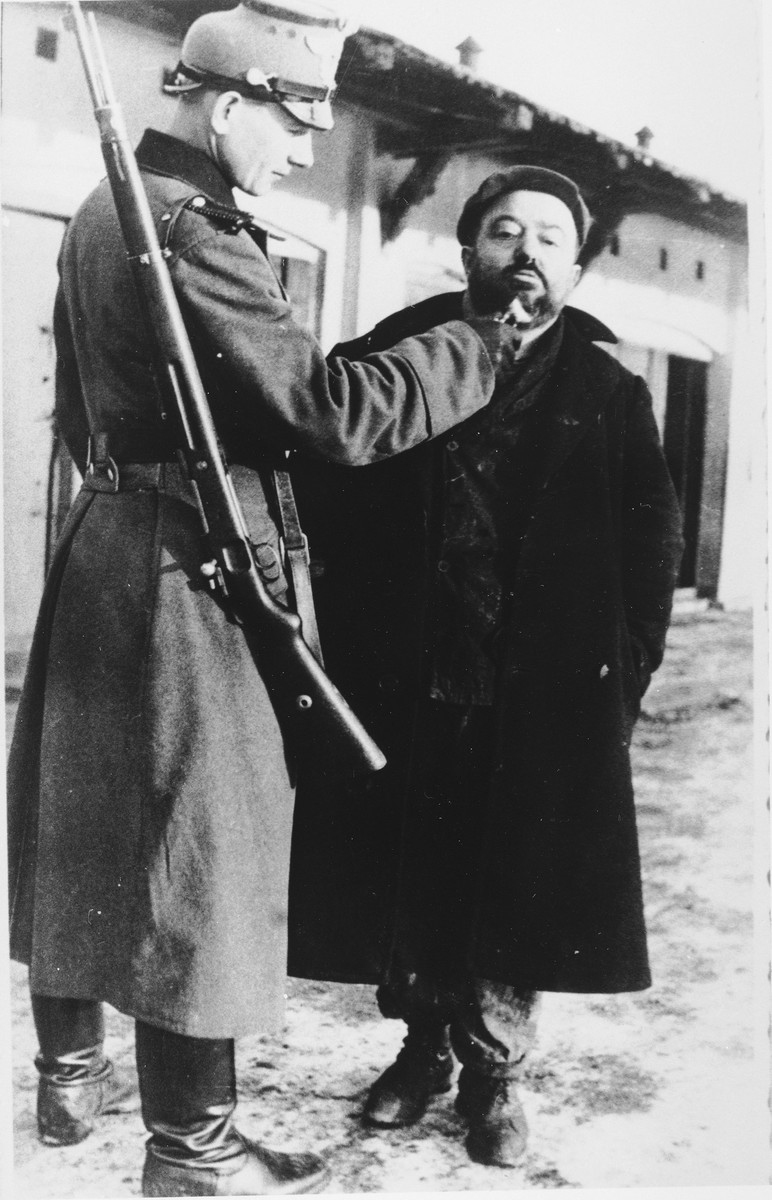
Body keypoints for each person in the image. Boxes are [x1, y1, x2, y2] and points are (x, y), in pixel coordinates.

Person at [6, 3, 508, 1195]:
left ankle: (66, 1077)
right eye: (289, 127)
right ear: (228, 106)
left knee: (85, 821)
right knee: (202, 848)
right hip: (195, 566)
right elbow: (331, 413)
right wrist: (474, 347)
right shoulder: (197, 231)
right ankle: (192, 1156)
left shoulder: (105, 212)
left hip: (109, 546)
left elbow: (82, 408)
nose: (297, 154)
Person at [288, 165, 685, 1168]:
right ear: (467, 250)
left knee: (517, 886)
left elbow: (651, 550)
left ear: (575, 263)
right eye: (503, 231)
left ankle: (497, 1077)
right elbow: (322, 490)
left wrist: (619, 678)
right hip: (404, 674)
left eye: (549, 236)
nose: (524, 251)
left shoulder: (608, 390)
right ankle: (421, 1053)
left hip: (541, 692)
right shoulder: (389, 356)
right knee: (412, 872)